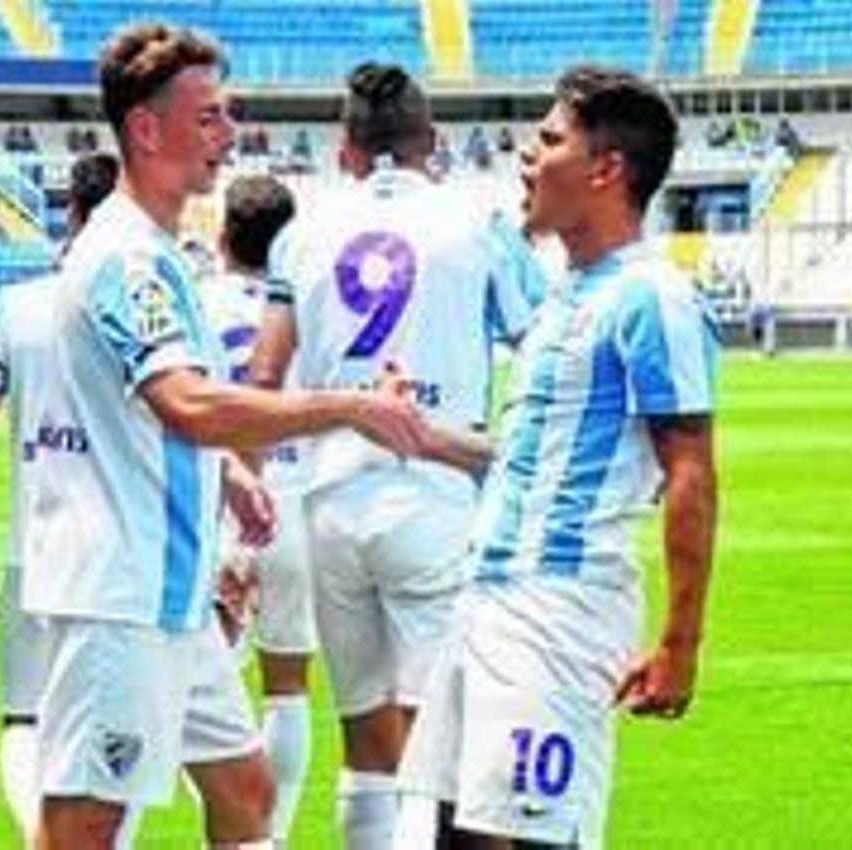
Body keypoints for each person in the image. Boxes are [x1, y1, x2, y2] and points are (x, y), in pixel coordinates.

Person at [22, 24, 459, 849]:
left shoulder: (155, 252)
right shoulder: (127, 259)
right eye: (209, 117)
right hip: (123, 593)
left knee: (246, 791)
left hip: (172, 590)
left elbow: (149, 408)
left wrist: (228, 472)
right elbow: (187, 402)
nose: (230, 134)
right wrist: (349, 407)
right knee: (82, 823)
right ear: (145, 129)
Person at [394, 66, 720, 848]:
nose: (526, 156)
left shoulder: (651, 296)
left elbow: (690, 468)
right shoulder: (563, 297)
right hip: (487, 594)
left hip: (559, 610)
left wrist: (680, 643)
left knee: (535, 834)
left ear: (606, 169)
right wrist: (423, 434)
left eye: (548, 140)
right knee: (453, 833)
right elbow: (530, 460)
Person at [251, 63, 542, 849]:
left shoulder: (301, 233)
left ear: (345, 148)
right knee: (440, 751)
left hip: (330, 495)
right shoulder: (479, 222)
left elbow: (264, 375)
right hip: (436, 487)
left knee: (366, 742)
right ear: (434, 143)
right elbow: (541, 346)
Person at [0, 150, 120, 844]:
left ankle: (37, 836)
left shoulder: (17, 307)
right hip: (129, 551)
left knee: (24, 716)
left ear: (70, 213)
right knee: (122, 726)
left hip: (38, 544)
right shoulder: (159, 301)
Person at [198, 173, 317, 845]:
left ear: (222, 236)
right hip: (297, 499)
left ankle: (236, 824)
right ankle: (270, 835)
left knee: (193, 683)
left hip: (223, 496)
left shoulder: (197, 299)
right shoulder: (306, 306)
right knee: (288, 685)